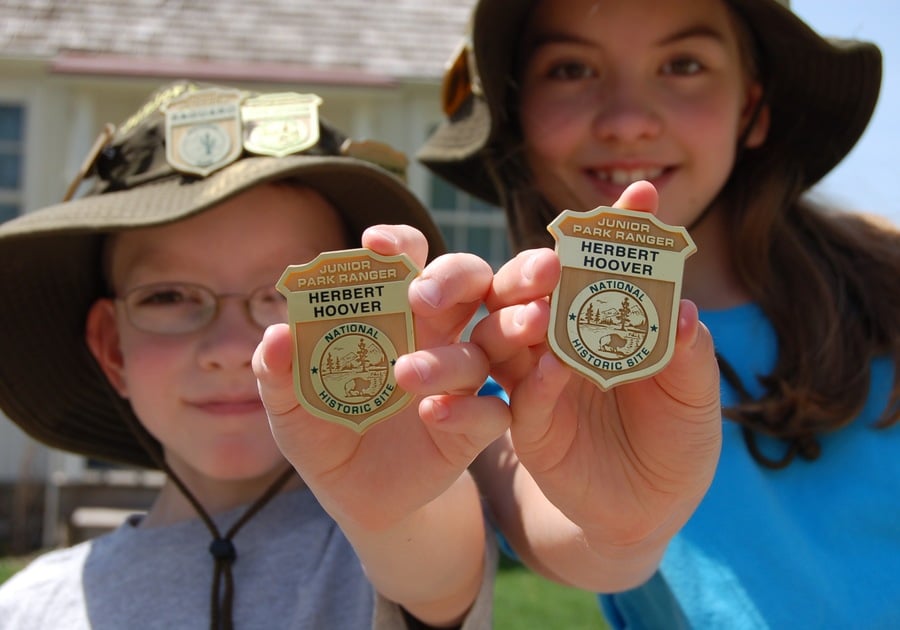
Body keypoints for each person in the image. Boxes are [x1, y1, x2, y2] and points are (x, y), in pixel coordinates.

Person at [419, 0, 900, 627]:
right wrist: (622, 529)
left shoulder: (887, 295)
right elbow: (584, 542)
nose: (627, 121)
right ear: (517, 119)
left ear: (751, 109)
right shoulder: (506, 361)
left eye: (683, 63)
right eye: (569, 69)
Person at [0, 81, 503, 629]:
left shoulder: (385, 543)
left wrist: (398, 511)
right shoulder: (30, 608)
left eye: (289, 295)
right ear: (112, 349)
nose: (234, 350)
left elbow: (428, 552)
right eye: (168, 296)